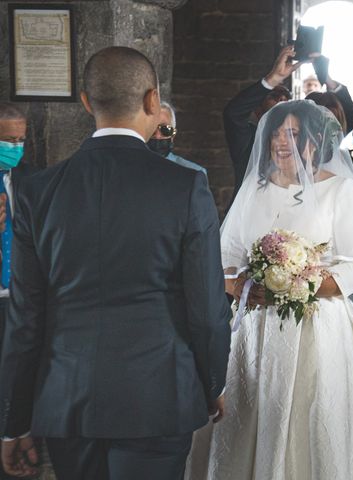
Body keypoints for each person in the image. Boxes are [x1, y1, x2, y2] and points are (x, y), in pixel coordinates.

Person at [0, 46, 231, 480]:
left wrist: (13, 422)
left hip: (68, 398)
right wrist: (212, 380)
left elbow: (25, 318)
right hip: (159, 395)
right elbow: (206, 308)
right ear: (152, 102)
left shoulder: (38, 191)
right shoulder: (186, 187)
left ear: (86, 103)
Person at [186, 100, 353, 479]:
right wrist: (241, 281)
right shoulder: (255, 189)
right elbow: (225, 255)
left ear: (312, 143)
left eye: (292, 133)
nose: (281, 141)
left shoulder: (341, 191)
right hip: (255, 327)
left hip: (319, 327)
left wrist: (300, 284)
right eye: (277, 133)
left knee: (315, 418)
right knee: (252, 416)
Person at [0, 104, 39, 480]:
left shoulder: (31, 179)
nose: (16, 146)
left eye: (21, 139)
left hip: (22, 296)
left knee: (19, 373)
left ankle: (18, 434)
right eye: (7, 139)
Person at [223, 45, 296, 198]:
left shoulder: (300, 140)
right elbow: (233, 113)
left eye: (286, 96)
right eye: (274, 95)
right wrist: (273, 79)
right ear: (257, 111)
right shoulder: (248, 138)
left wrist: (323, 71)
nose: (282, 99)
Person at [148, 101, 208, 175]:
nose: (157, 136)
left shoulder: (194, 173)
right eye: (152, 128)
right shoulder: (131, 168)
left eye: (165, 129)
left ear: (173, 135)